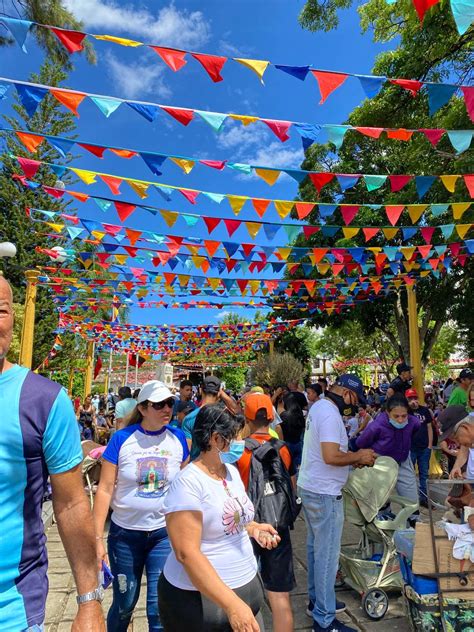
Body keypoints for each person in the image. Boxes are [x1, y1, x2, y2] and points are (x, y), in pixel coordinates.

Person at [0, 276, 105, 631]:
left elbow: (72, 503)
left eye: (0, 310)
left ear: (12, 318)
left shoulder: (43, 400)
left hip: (12, 609)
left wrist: (89, 601)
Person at [158, 404, 279, 631]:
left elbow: (230, 518)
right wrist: (232, 604)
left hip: (245, 598)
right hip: (200, 606)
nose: (239, 442)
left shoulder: (230, 471)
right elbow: (186, 553)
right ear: (216, 439)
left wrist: (253, 528)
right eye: (234, 436)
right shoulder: (187, 484)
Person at [93, 380, 189, 631]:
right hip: (125, 535)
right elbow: (104, 489)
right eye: (159, 404)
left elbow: (186, 486)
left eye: (170, 403)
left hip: (163, 535)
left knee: (159, 608)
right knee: (124, 603)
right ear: (144, 408)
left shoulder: (178, 438)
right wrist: (96, 540)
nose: (167, 409)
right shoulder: (122, 440)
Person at [298, 374, 376, 632]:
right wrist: (359, 456)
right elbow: (331, 456)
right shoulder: (330, 413)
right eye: (355, 399)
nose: (355, 405)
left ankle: (317, 602)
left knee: (314, 548)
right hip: (324, 493)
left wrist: (352, 457)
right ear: (346, 393)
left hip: (311, 487)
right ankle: (324, 620)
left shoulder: (319, 406)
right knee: (327, 556)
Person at [236, 393, 296, 632]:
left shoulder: (239, 453)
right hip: (277, 526)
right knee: (280, 597)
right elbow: (291, 488)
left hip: (247, 528)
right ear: (272, 417)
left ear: (246, 417)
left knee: (241, 595)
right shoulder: (283, 450)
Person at [356, 394, 421, 504]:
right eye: (396, 416)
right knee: (380, 500)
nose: (400, 420)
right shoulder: (376, 426)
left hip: (403, 462)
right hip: (380, 463)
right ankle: (383, 515)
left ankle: (412, 520)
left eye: (404, 416)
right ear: (387, 412)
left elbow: (413, 433)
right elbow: (360, 443)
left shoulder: (414, 422)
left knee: (412, 500)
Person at [182, 375, 241, 460]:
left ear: (201, 390)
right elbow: (238, 412)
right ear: (219, 393)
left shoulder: (189, 418)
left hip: (195, 468)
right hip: (218, 467)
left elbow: (187, 453)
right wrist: (223, 394)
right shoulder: (224, 416)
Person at [438, 406, 474, 529]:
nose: (457, 443)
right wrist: (457, 467)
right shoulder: (470, 438)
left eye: (455, 438)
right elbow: (464, 451)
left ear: (465, 427)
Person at [406, 389, 434, 507]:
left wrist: (429, 445)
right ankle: (410, 499)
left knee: (424, 474)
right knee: (409, 475)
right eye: (410, 399)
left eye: (415, 398)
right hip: (411, 448)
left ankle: (424, 498)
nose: (413, 401)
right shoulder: (405, 412)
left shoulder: (424, 411)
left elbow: (429, 428)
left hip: (424, 448)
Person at [280, 392, 306, 470]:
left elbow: (280, 429)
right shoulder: (300, 414)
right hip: (298, 443)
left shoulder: (284, 415)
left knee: (287, 469)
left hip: (287, 444)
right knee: (297, 468)